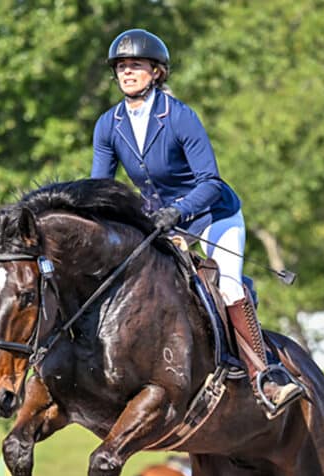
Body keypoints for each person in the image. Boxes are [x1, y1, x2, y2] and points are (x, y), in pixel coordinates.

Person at [90, 28, 303, 417]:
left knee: (229, 287)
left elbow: (211, 181)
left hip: (211, 214)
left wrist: (179, 213)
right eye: (121, 67)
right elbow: (101, 188)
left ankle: (267, 376)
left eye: (136, 65)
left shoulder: (180, 117)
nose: (127, 72)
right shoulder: (109, 124)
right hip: (161, 223)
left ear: (157, 72)